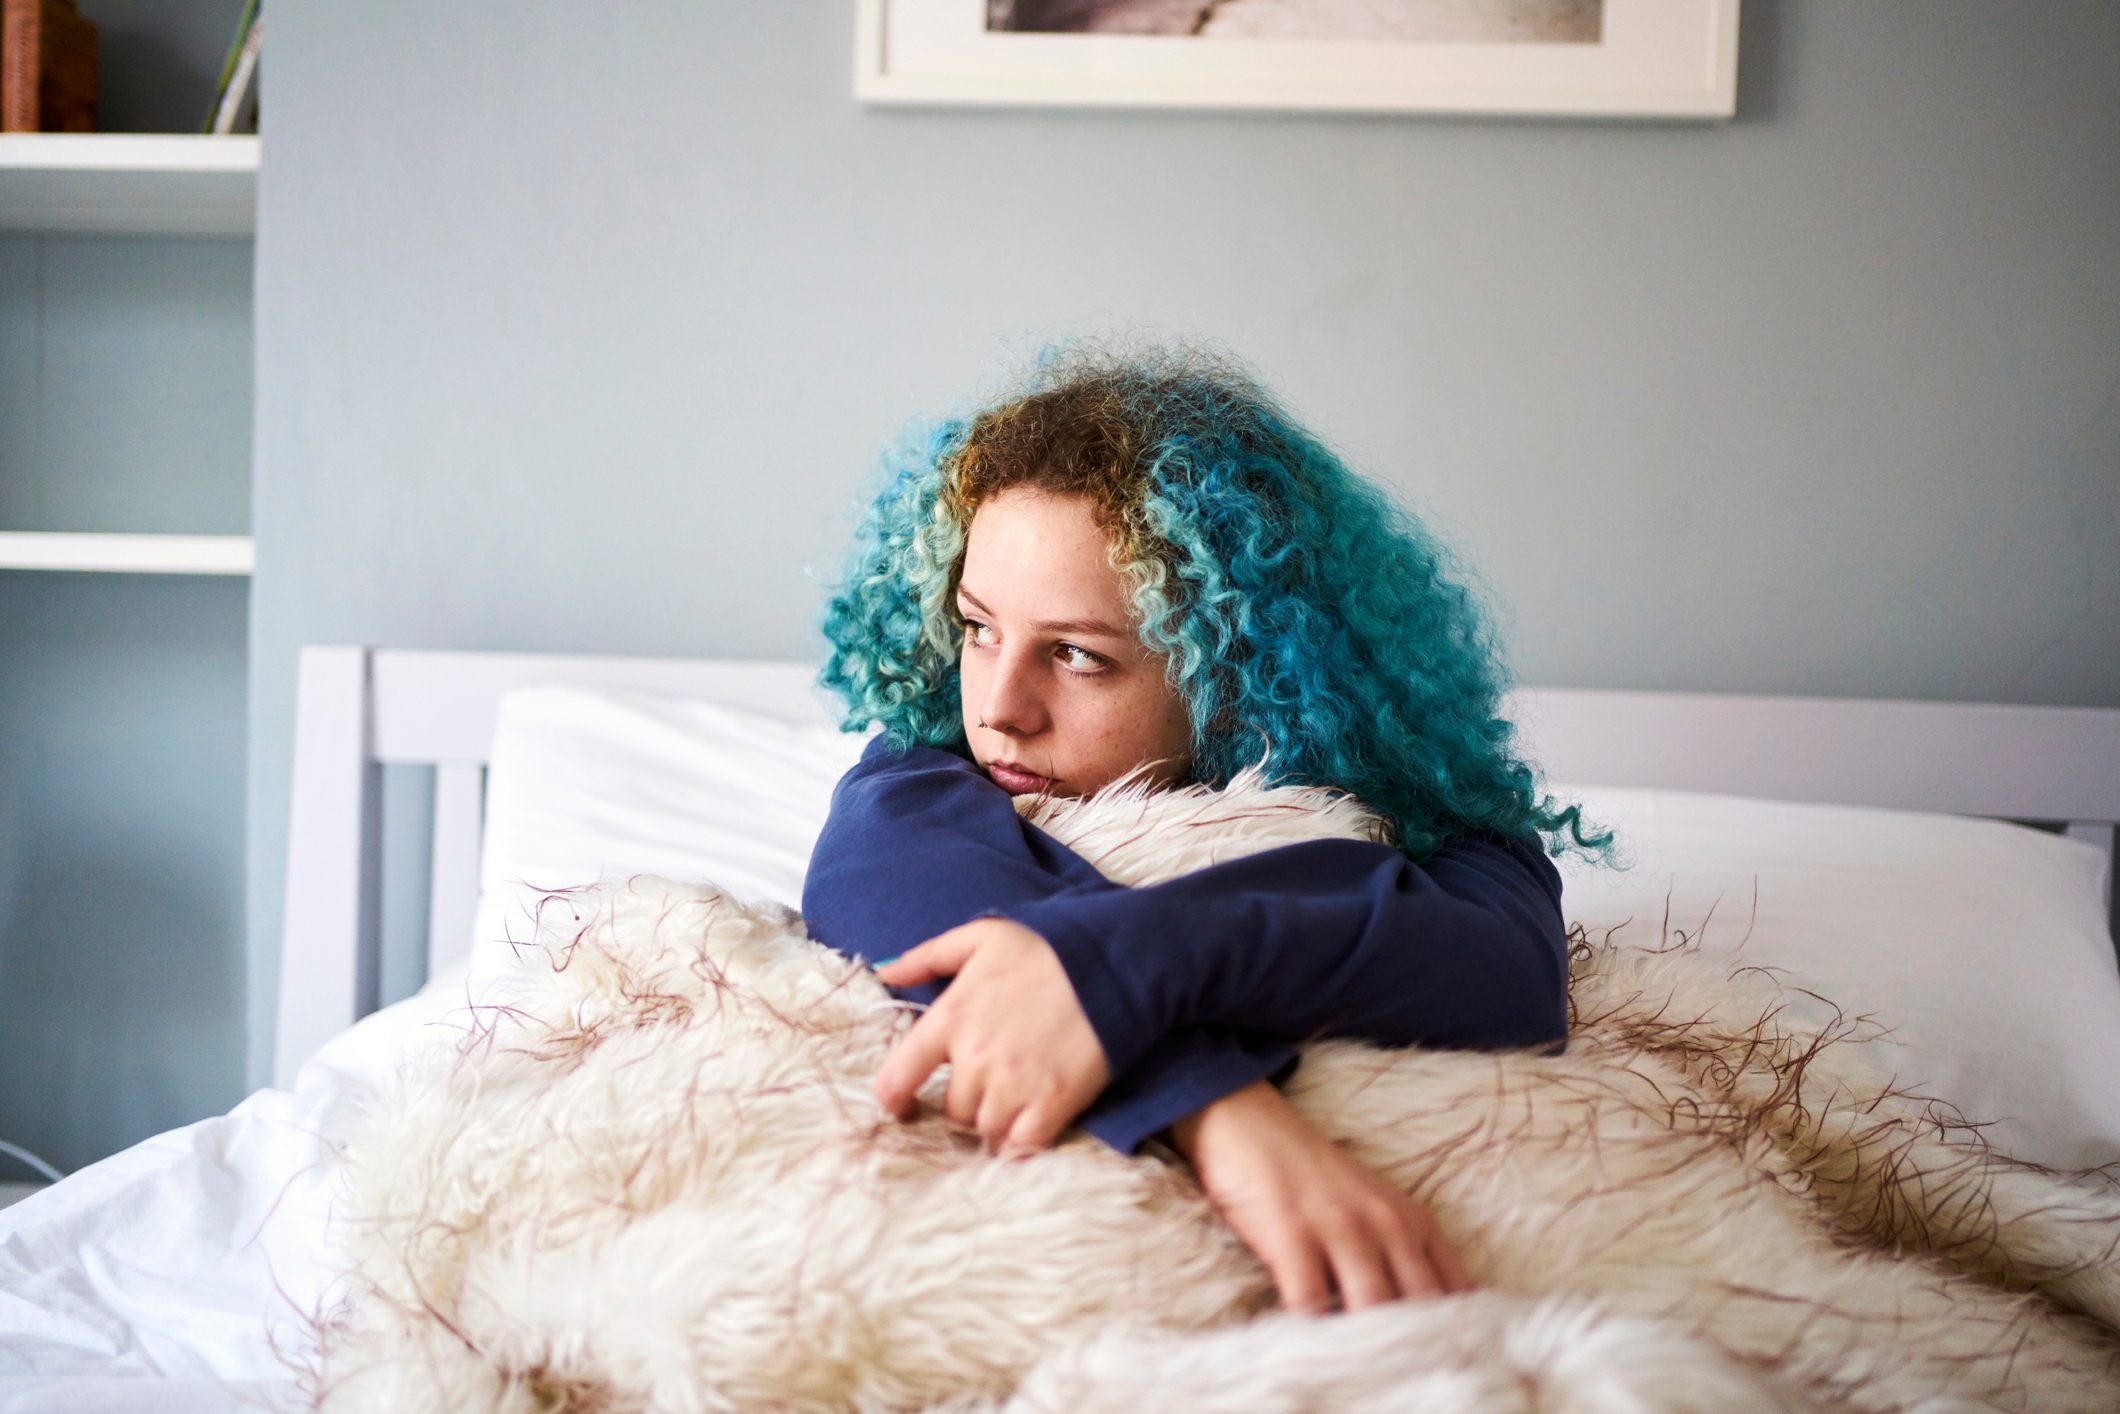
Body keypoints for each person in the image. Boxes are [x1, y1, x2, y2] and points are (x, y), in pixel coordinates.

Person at [802, 342, 1612, 1316]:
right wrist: (1215, 1107)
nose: (1001, 706)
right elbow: (881, 879)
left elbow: (1508, 967)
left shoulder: (1401, 804)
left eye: (1075, 654)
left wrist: (1120, 967)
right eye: (978, 627)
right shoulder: (934, 753)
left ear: (1228, 671)